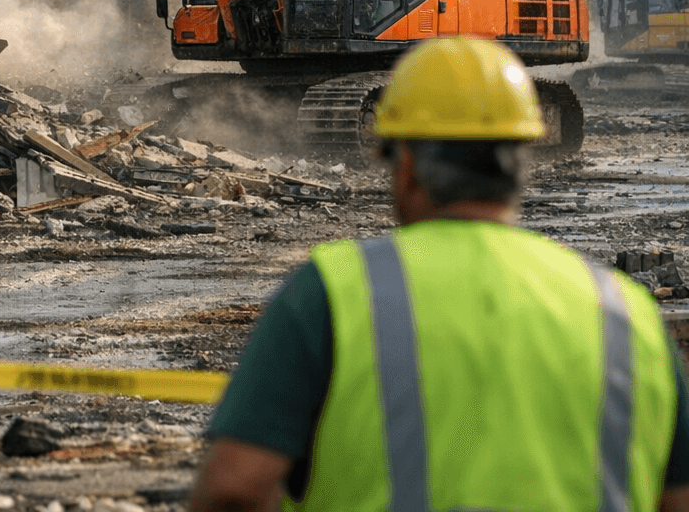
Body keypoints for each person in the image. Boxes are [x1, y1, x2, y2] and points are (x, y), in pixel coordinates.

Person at [190, 36, 689, 512]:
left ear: (405, 164)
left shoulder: (333, 293)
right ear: (522, 162)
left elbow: (236, 489)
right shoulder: (629, 312)